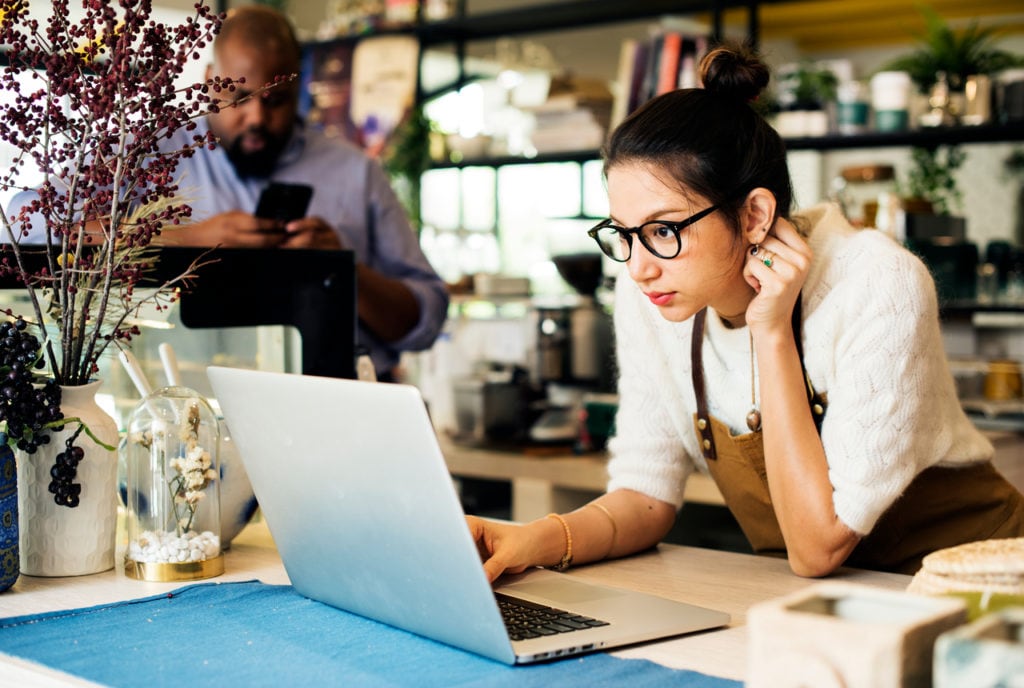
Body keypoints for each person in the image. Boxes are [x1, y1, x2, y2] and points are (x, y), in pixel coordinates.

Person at [467, 43, 1024, 580]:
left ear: (755, 214)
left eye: (663, 230)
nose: (637, 267)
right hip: (831, 599)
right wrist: (529, 541)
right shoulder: (650, 291)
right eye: (623, 234)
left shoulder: (877, 284)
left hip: (981, 587)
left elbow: (817, 545)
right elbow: (644, 495)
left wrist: (771, 331)